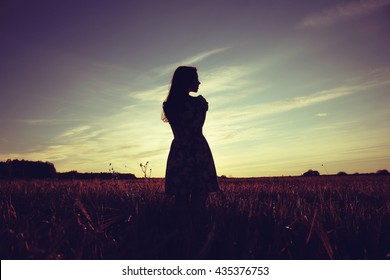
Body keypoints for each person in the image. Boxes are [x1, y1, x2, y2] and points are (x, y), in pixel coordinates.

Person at [162, 66, 220, 211]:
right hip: (198, 149)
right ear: (187, 81)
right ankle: (196, 229)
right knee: (199, 195)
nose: (199, 82)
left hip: (180, 151)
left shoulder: (169, 105)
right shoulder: (198, 103)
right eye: (196, 79)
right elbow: (197, 127)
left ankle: (182, 229)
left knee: (181, 197)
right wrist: (201, 106)